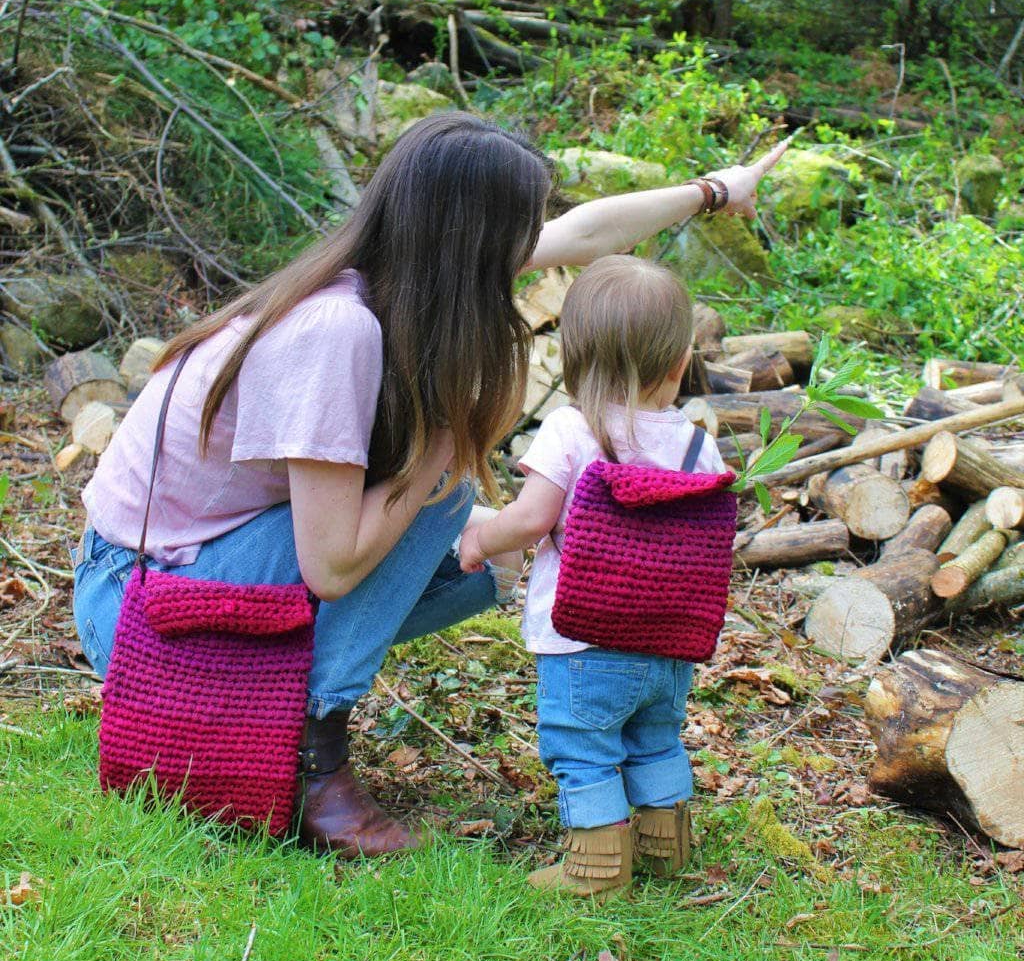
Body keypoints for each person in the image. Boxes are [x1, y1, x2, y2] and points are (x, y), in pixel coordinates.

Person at [73, 112, 785, 859]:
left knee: (481, 554)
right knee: (441, 496)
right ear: (471, 240)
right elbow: (332, 565)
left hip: (192, 570)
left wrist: (713, 191)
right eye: (520, 227)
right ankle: (315, 753)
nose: (533, 243)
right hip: (136, 608)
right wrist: (442, 454)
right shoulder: (335, 329)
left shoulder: (399, 267)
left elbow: (584, 235)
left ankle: (274, 708)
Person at [458, 255, 726, 896]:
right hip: (667, 642)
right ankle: (665, 849)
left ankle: (598, 869)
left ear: (573, 356)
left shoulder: (571, 430)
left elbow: (530, 520)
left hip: (582, 642)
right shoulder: (697, 445)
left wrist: (476, 539)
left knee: (584, 747)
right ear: (678, 364)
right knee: (656, 737)